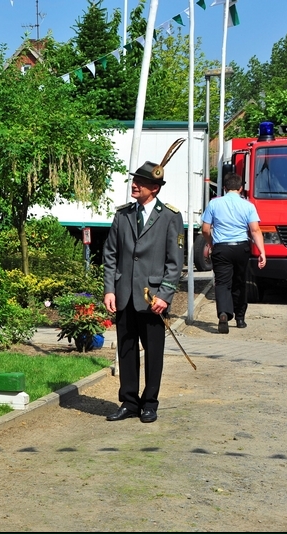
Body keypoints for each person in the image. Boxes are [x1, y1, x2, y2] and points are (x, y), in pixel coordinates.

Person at [102, 155, 184, 425]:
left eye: (141, 182)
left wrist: (165, 295)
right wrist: (109, 289)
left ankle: (149, 403)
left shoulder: (170, 217)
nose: (134, 185)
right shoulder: (123, 214)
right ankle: (129, 402)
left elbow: (175, 261)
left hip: (152, 298)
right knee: (126, 350)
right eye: (134, 180)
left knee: (153, 352)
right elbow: (110, 254)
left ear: (155, 188)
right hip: (124, 295)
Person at [200, 173, 267, 333]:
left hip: (221, 248)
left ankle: (223, 313)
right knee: (240, 281)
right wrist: (262, 252)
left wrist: (211, 243)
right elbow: (255, 230)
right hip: (241, 248)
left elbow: (205, 229)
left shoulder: (214, 204)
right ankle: (240, 318)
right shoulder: (248, 206)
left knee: (222, 283)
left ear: (224, 188)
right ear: (241, 188)